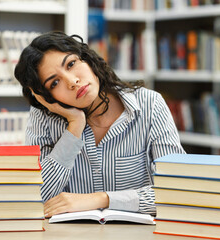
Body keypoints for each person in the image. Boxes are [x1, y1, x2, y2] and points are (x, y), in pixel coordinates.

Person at [14, 31, 185, 217]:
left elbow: (177, 192)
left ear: (87, 60)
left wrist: (102, 199)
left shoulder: (149, 105)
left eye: (71, 64)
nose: (72, 82)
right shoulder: (43, 118)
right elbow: (35, 200)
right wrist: (74, 126)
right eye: (54, 83)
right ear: (48, 97)